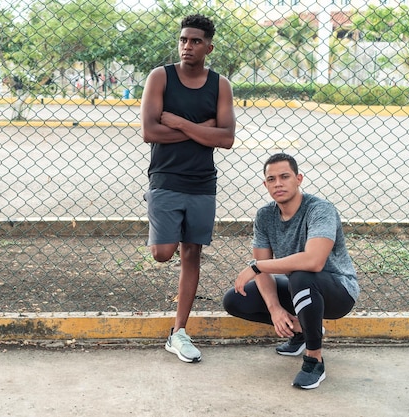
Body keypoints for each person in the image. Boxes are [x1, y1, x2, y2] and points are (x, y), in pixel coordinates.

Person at [140, 14, 236, 363]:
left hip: (201, 182)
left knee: (191, 252)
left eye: (196, 41)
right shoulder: (160, 78)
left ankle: (178, 331)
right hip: (165, 178)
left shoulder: (219, 85)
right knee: (163, 252)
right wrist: (201, 129)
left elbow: (226, 138)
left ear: (208, 47)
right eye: (183, 40)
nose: (187, 46)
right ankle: (155, 209)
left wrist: (179, 122)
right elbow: (150, 131)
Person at [223, 153, 360, 389]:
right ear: (265, 185)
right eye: (272, 179)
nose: (278, 183)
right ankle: (302, 331)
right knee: (235, 299)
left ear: (298, 179)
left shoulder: (320, 210)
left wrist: (256, 266)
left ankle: (314, 359)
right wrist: (275, 308)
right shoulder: (265, 216)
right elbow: (264, 270)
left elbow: (314, 261)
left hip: (338, 291)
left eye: (285, 177)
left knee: (302, 274)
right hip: (302, 289)